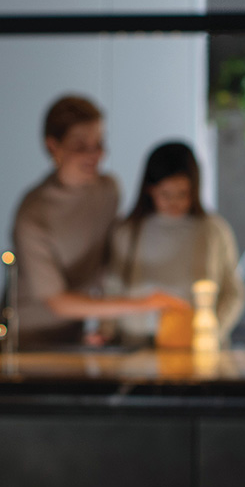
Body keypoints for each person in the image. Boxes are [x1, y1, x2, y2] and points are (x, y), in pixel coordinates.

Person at [12, 96, 190, 349]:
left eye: (99, 143)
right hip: (29, 339)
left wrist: (102, 325)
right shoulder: (33, 214)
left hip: (75, 335)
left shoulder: (107, 190)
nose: (95, 154)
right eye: (80, 145)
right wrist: (144, 303)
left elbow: (107, 264)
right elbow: (57, 301)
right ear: (53, 147)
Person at [106, 141, 245, 346]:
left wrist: (212, 332)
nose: (174, 203)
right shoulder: (127, 231)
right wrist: (106, 330)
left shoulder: (213, 230)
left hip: (194, 345)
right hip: (136, 345)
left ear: (195, 188)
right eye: (166, 195)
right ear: (150, 190)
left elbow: (233, 293)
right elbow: (112, 287)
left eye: (182, 194)